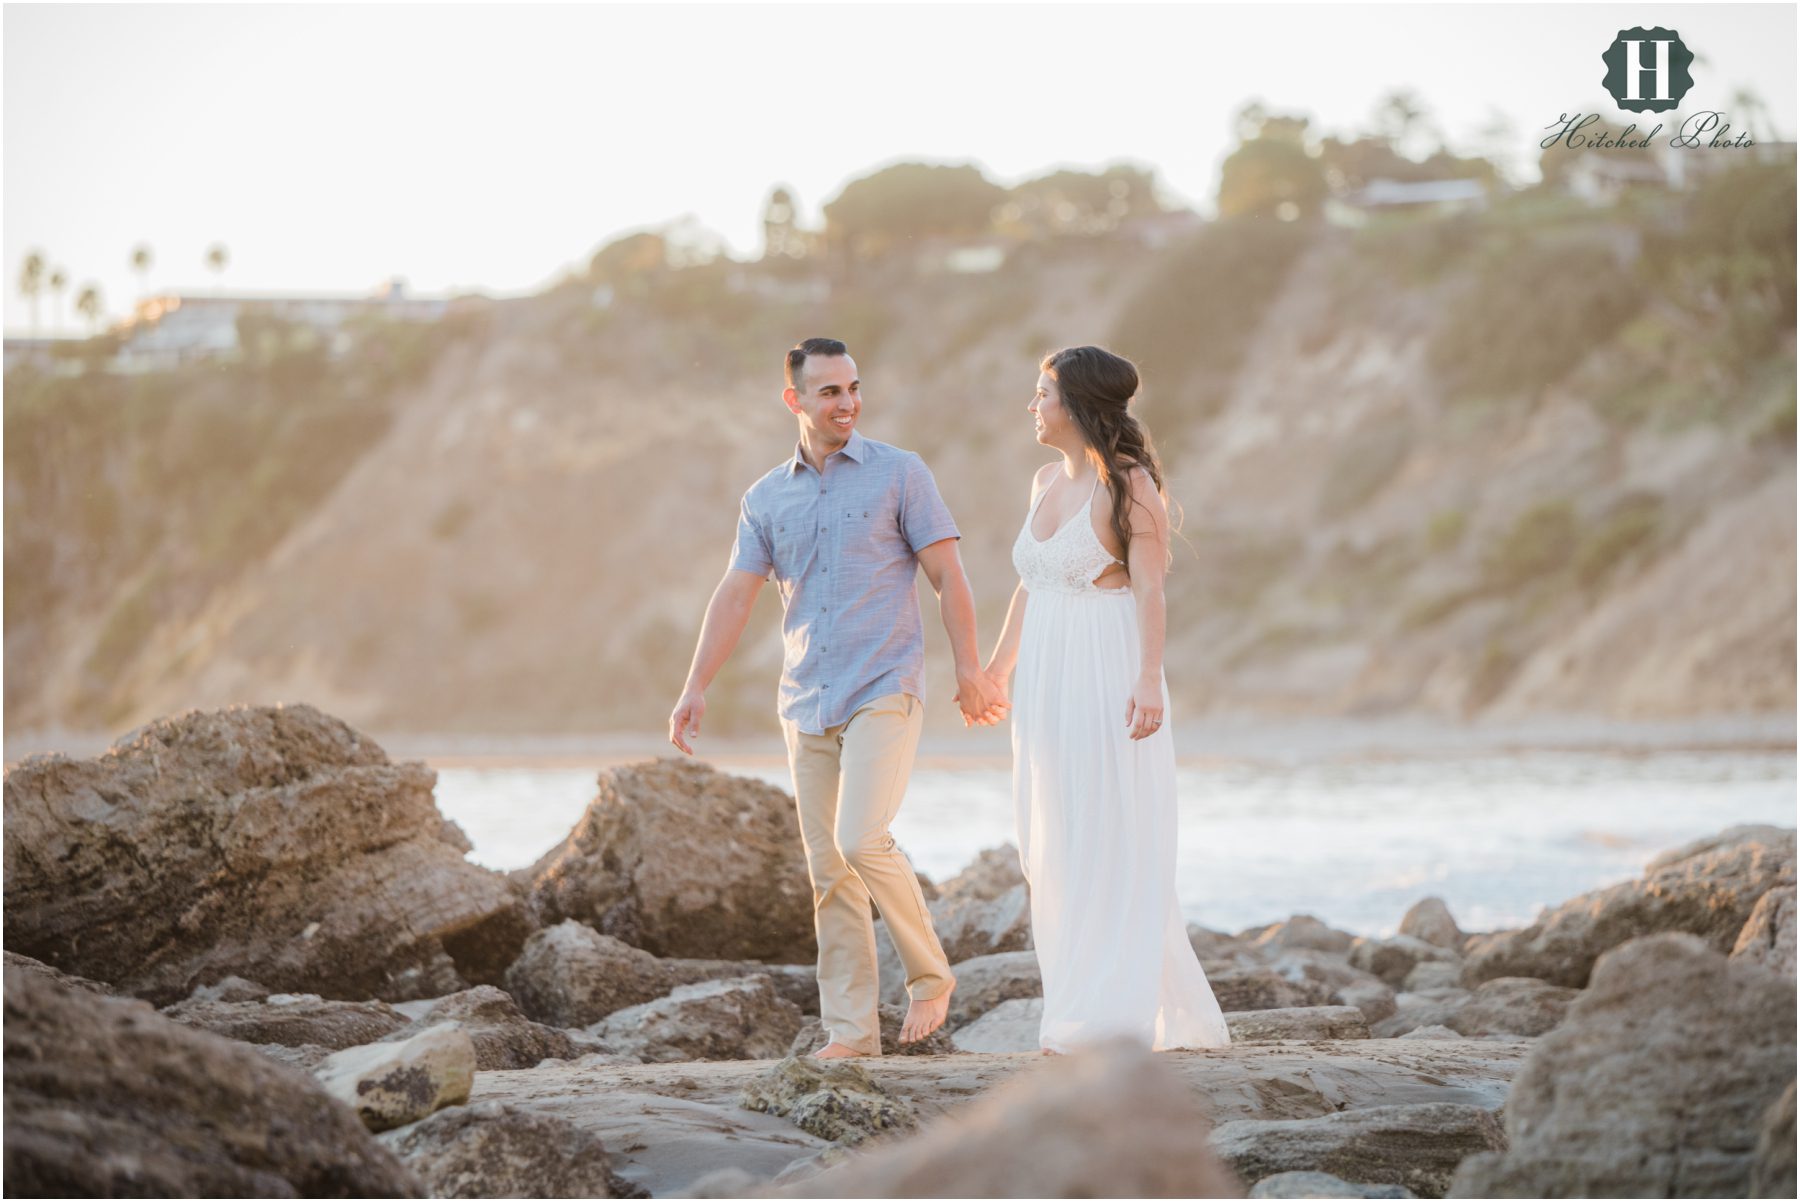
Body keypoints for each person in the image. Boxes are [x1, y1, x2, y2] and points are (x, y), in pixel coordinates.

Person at [669, 337, 1008, 1058]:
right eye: (828, 391)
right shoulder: (765, 497)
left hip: (885, 685)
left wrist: (970, 670)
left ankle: (929, 974)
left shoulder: (900, 475)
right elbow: (736, 595)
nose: (847, 402)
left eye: (853, 387)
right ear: (794, 400)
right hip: (806, 701)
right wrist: (696, 685)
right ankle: (852, 1034)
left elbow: (949, 576)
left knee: (862, 840)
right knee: (830, 874)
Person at [979, 345, 1231, 1054]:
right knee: (1055, 834)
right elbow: (1032, 585)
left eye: (1043, 394)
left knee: (1109, 830)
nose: (1032, 406)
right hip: (1046, 680)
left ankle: (1110, 1014)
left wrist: (1149, 679)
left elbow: (1151, 588)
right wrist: (998, 670)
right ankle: (1076, 997)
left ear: (1079, 405)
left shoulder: (1129, 485)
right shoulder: (1041, 482)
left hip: (1107, 667)